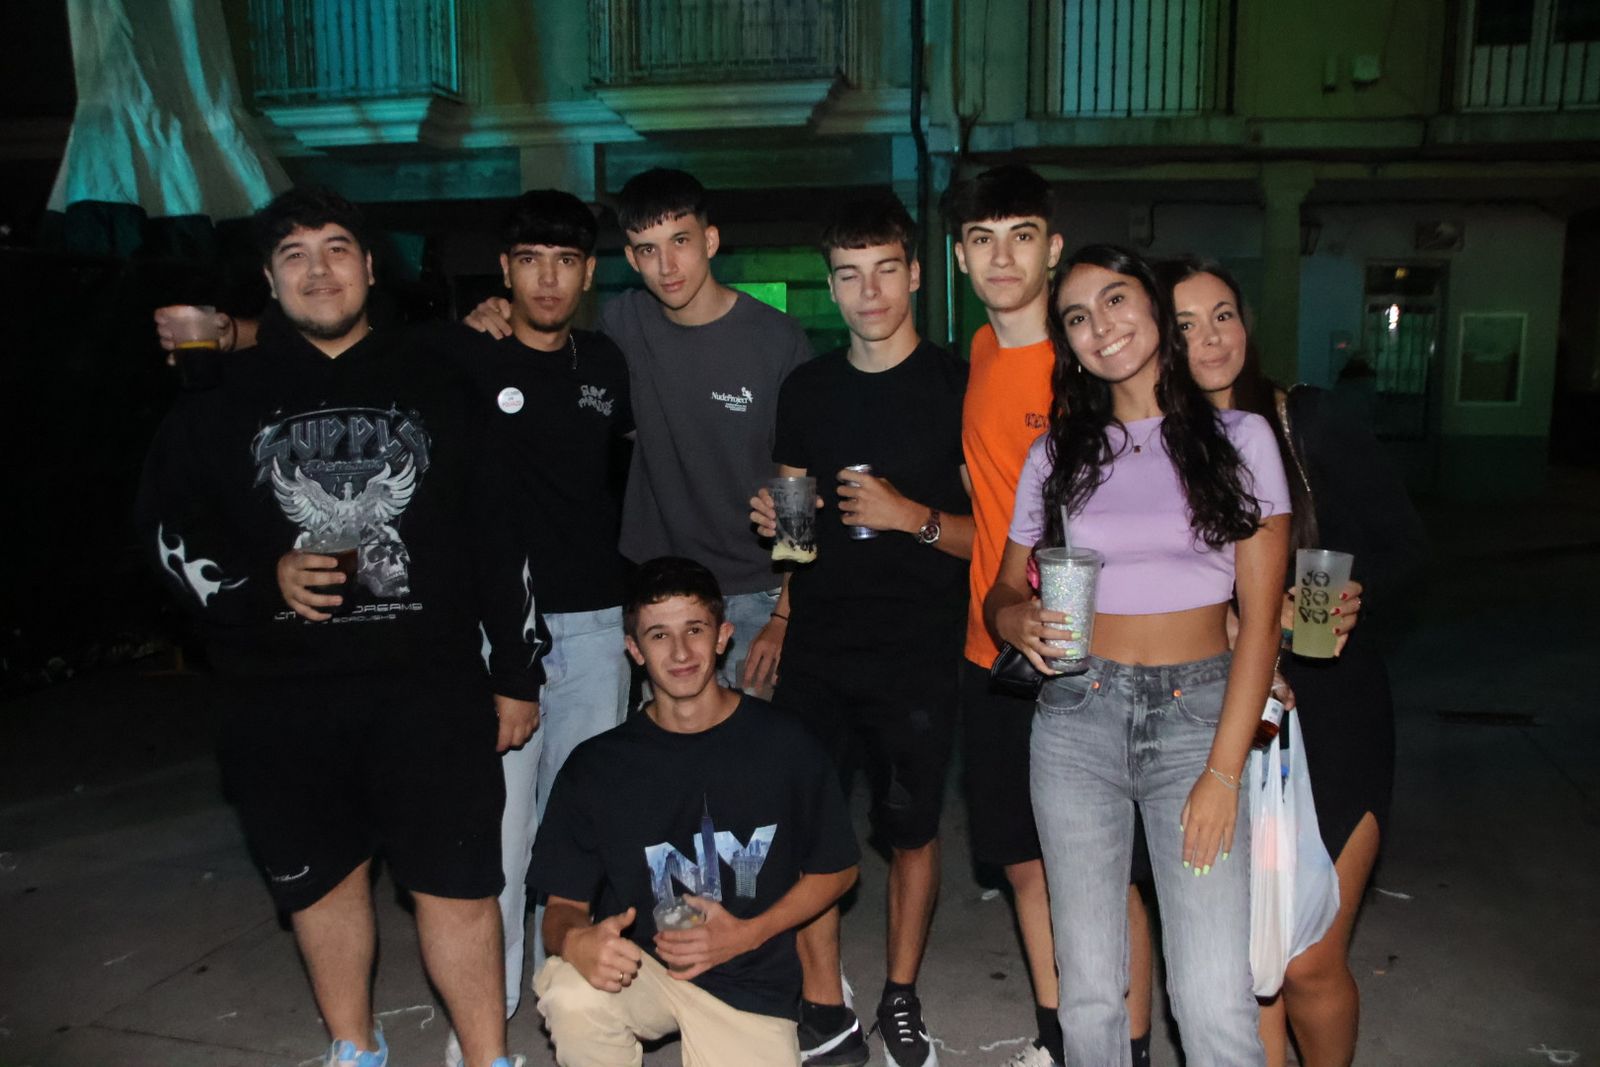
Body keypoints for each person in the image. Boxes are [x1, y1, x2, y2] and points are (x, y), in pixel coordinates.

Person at [137, 187, 544, 1067]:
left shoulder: (440, 372)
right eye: (294, 255)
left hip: (427, 688)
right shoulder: (219, 393)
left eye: (335, 248)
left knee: (459, 886)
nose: (317, 269)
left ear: (368, 265)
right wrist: (258, 582)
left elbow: (498, 531)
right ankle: (354, 1047)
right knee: (322, 885)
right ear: (268, 280)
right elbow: (168, 534)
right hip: (278, 695)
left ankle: (487, 1058)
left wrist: (517, 669)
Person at [987, 244, 1290, 1066]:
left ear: (1156, 310)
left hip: (1200, 718)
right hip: (1077, 715)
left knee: (1212, 994)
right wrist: (1014, 621)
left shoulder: (1243, 437)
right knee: (1088, 990)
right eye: (1078, 318)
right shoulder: (1057, 455)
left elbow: (1260, 624)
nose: (1100, 328)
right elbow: (1001, 592)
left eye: (1116, 301)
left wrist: (1224, 772)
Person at [1164, 256, 1425, 1067]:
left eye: (1224, 315)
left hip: (1333, 705)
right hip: (1216, 711)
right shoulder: (1161, 447)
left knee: (1309, 957)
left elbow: (1403, 545)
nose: (1210, 338)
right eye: (1185, 324)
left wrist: (1358, 595)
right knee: (1251, 964)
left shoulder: (1304, 420)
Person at [747, 195, 973, 1067]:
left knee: (910, 827)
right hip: (819, 645)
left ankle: (901, 993)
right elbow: (796, 526)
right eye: (849, 274)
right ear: (832, 289)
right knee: (808, 822)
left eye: (885, 269)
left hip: (917, 646)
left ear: (914, 274)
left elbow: (997, 536)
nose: (868, 291)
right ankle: (821, 1001)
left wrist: (911, 515)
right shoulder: (807, 389)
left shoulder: (956, 386)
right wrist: (778, 567)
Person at [467, 168, 813, 693]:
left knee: (753, 765)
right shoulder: (621, 326)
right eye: (647, 250)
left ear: (711, 240)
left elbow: (798, 491)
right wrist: (496, 310)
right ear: (630, 259)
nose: (667, 266)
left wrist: (785, 617)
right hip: (658, 592)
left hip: (755, 596)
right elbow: (557, 363)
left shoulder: (778, 339)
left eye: (680, 241)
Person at [436, 190, 635, 1057]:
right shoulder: (462, 355)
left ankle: (575, 997)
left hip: (594, 626)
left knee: (581, 825)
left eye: (565, 262)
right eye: (530, 261)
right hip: (494, 634)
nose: (547, 278)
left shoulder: (606, 363)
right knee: (502, 833)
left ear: (588, 273)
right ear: (505, 271)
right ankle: (489, 1020)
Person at [529, 556, 861, 1067]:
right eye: (659, 636)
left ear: (723, 636)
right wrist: (575, 941)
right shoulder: (597, 766)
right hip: (645, 970)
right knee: (570, 991)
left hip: (750, 981)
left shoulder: (784, 743)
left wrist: (747, 933)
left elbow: (838, 869)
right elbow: (563, 905)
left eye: (695, 630)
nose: (681, 652)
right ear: (634, 650)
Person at [940, 164, 1088, 1067]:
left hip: (1075, 654)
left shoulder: (1083, 371)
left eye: (1021, 235)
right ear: (960, 256)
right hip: (985, 650)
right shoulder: (984, 358)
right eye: (983, 238)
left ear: (1053, 247)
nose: (1003, 256)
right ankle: (1059, 1037)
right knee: (1023, 861)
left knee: (1102, 871)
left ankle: (1121, 1042)